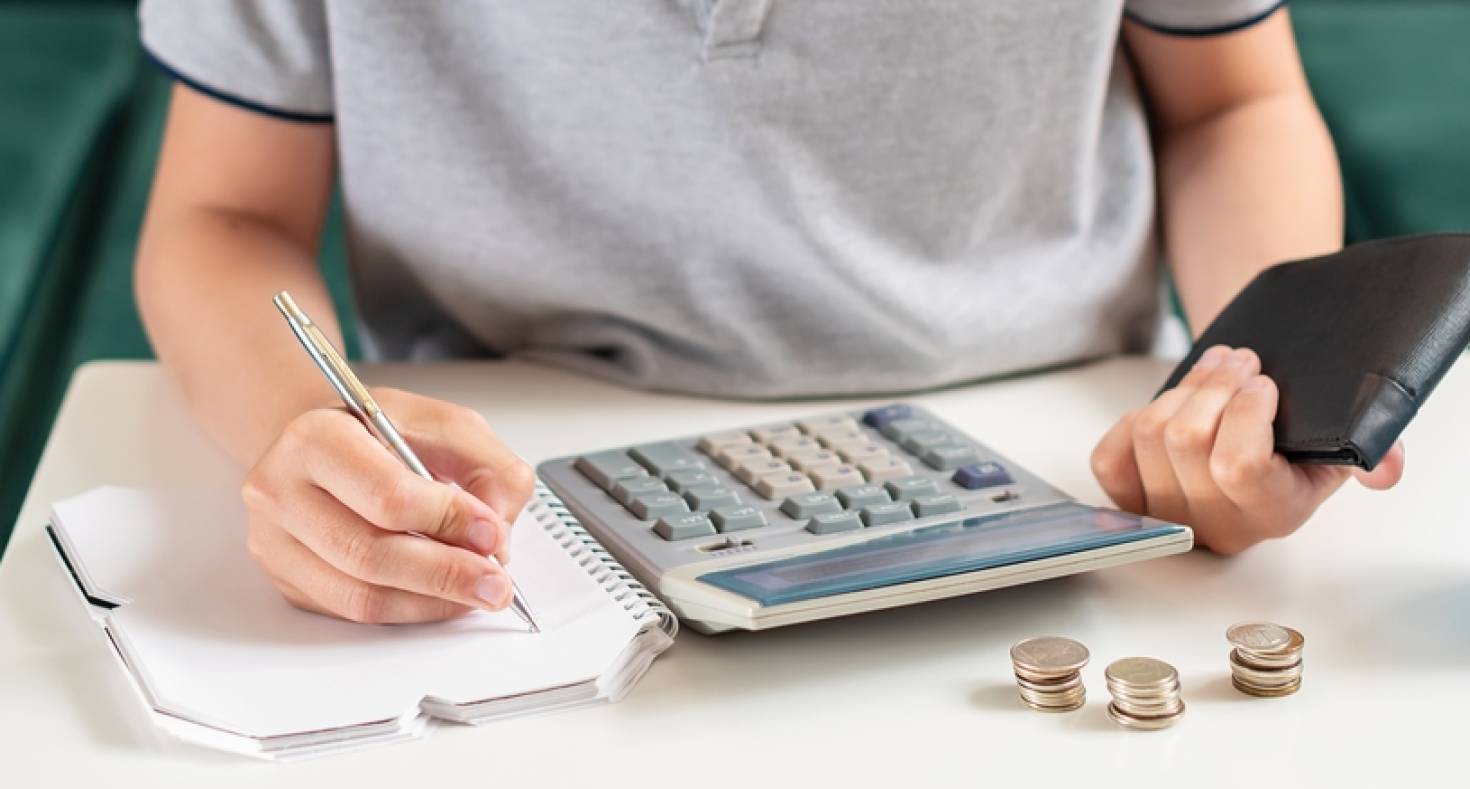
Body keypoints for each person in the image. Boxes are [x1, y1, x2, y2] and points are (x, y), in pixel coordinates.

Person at [134, 0, 1405, 625]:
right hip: (520, 497)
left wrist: (1264, 386)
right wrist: (309, 430)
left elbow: (1232, 102)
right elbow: (221, 216)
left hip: (1076, 465)